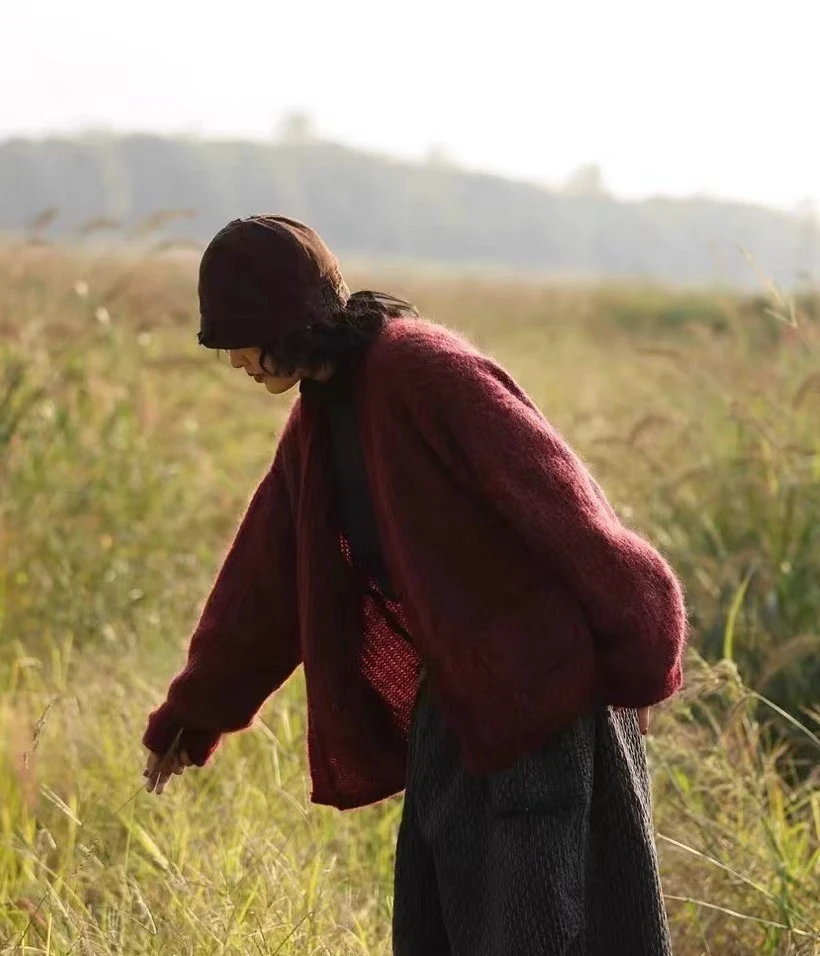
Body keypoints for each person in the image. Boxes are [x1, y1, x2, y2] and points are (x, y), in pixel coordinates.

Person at [142, 215, 687, 955]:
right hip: (457, 712)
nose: (232, 359)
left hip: (551, 698)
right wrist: (192, 716)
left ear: (285, 320)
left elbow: (569, 512)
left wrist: (641, 664)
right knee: (448, 925)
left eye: (236, 335)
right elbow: (263, 586)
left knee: (548, 926)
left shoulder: (425, 370)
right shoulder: (317, 423)